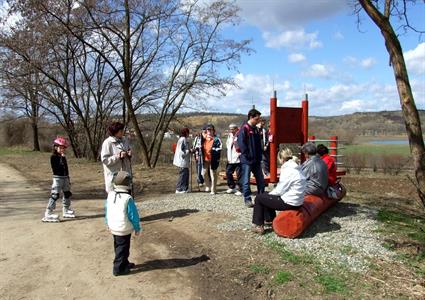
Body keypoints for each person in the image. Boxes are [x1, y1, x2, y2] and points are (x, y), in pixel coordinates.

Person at [251, 148, 306, 234]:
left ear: (281, 158)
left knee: (259, 198)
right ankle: (270, 219)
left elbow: (280, 190)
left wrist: (270, 194)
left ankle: (258, 225)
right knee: (266, 195)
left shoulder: (288, 169)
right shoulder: (297, 167)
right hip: (298, 200)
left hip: (290, 202)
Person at [105, 171, 141, 276]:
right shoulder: (127, 198)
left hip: (114, 227)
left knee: (119, 246)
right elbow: (133, 215)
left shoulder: (111, 195)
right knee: (123, 248)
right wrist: (137, 228)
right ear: (128, 185)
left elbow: (107, 210)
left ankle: (124, 263)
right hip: (123, 229)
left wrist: (107, 223)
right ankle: (118, 269)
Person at [42, 136, 75, 222]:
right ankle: (48, 212)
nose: (62, 149)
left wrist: (68, 178)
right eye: (60, 148)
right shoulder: (53, 157)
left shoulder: (63, 156)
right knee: (55, 195)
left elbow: (66, 169)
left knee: (67, 193)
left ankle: (66, 209)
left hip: (65, 178)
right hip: (58, 178)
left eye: (63, 148)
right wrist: (62, 158)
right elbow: (56, 169)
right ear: (55, 147)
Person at [238, 108, 265, 207]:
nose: (258, 121)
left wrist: (259, 156)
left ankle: (262, 198)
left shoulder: (256, 129)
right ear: (251, 117)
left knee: (261, 180)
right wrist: (248, 155)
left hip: (257, 160)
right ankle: (247, 199)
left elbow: (258, 145)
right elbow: (242, 144)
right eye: (257, 119)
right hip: (247, 160)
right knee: (246, 181)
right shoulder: (244, 129)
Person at [101, 122, 132, 193]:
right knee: (116, 200)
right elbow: (105, 160)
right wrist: (118, 156)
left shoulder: (125, 140)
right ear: (115, 132)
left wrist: (129, 153)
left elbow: (129, 149)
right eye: (121, 131)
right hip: (114, 177)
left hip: (125, 175)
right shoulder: (107, 142)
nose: (123, 132)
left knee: (126, 199)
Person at [201, 124, 222, 195]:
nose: (209, 131)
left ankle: (213, 189)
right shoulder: (204, 139)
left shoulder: (216, 139)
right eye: (208, 130)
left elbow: (219, 149)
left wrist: (213, 151)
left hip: (213, 160)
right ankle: (208, 186)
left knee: (213, 174)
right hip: (205, 159)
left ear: (213, 131)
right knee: (203, 173)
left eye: (210, 130)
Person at [173, 127, 191, 193]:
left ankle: (184, 188)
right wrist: (189, 151)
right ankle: (179, 188)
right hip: (182, 161)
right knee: (182, 175)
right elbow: (182, 151)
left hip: (183, 161)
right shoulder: (183, 139)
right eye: (188, 132)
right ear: (186, 133)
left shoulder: (182, 139)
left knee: (186, 174)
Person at [225, 123, 242, 195]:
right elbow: (228, 146)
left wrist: (240, 155)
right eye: (230, 129)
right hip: (230, 158)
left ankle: (240, 189)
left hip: (238, 158)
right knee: (228, 172)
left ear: (236, 128)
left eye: (233, 129)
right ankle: (232, 187)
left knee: (239, 174)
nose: (231, 130)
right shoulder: (229, 135)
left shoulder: (240, 135)